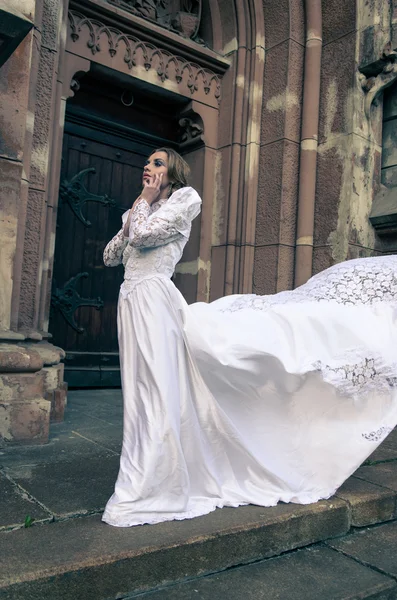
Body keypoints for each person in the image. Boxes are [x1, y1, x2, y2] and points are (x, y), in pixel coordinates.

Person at [102, 147, 397, 528]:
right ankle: (151, 467)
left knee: (159, 387)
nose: (148, 166)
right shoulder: (138, 209)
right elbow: (112, 255)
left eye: (157, 163)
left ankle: (157, 479)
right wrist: (136, 211)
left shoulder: (185, 200)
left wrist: (142, 205)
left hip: (156, 302)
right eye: (147, 162)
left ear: (173, 172)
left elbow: (141, 239)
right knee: (140, 390)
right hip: (131, 301)